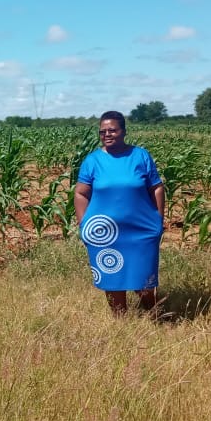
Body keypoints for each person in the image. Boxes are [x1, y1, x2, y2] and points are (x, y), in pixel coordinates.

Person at [74, 110, 165, 316]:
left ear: (123, 131)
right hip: (105, 232)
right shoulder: (92, 161)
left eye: (112, 130)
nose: (107, 134)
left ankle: (154, 315)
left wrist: (158, 220)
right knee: (112, 277)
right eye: (102, 131)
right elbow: (80, 193)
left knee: (144, 279)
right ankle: (120, 322)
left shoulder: (140, 156)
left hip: (141, 230)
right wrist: (83, 224)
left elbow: (157, 188)